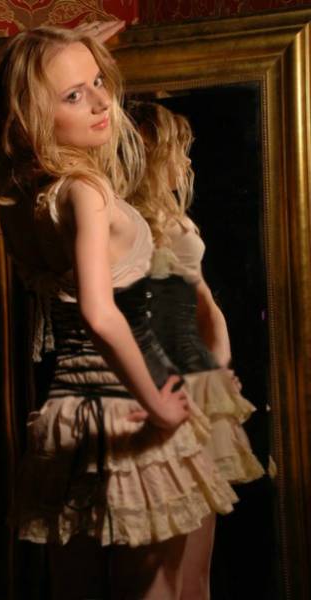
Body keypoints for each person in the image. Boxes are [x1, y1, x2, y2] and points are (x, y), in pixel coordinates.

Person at [0, 23, 239, 599]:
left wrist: (42, 57)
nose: (101, 101)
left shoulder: (16, 192)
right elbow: (99, 312)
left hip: (70, 412)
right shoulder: (84, 188)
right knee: (168, 589)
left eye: (98, 82)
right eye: (72, 95)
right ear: (29, 113)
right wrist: (158, 402)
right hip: (130, 402)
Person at [127, 100, 265, 600]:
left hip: (197, 380)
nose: (186, 163)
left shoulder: (176, 218)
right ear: (149, 151)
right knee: (164, 564)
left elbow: (205, 302)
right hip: (159, 383)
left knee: (197, 567)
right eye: (177, 150)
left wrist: (217, 369)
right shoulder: (123, 221)